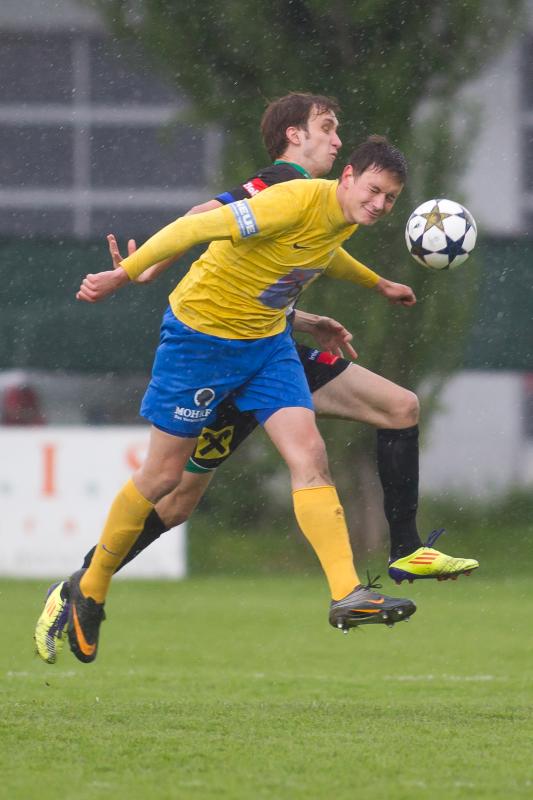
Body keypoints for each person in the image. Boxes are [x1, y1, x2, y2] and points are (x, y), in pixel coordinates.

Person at [34, 93, 478, 665]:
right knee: (163, 480)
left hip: (267, 348)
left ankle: (348, 593)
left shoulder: (340, 214)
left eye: (389, 199)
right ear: (345, 175)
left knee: (309, 454)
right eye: (372, 191)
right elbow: (198, 224)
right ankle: (88, 587)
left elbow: (318, 253)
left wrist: (377, 285)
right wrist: (125, 275)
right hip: (200, 343)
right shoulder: (287, 193)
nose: (378, 204)